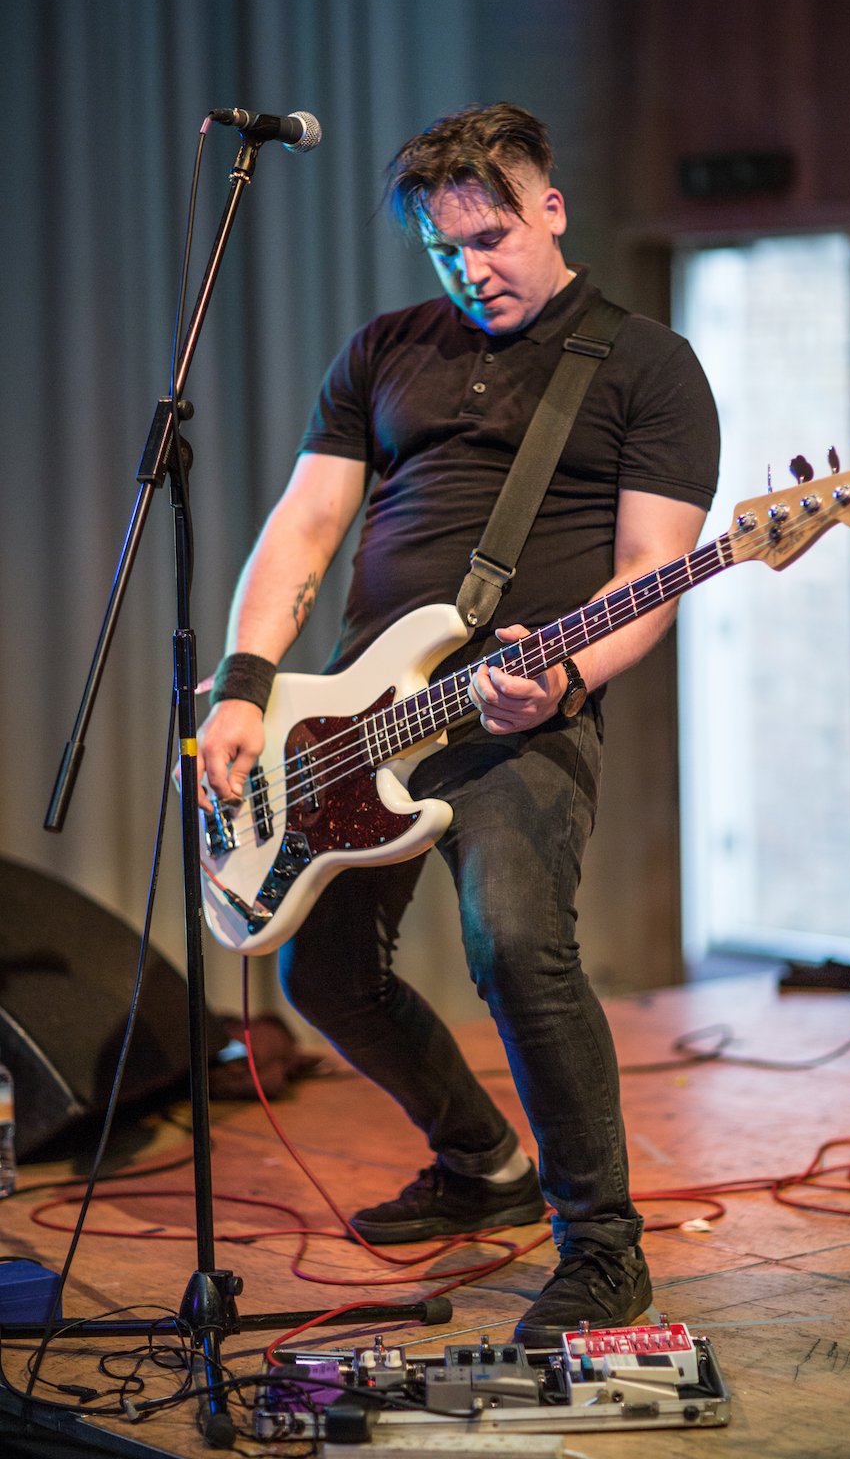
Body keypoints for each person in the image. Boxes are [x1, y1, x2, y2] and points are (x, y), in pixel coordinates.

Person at [196, 104, 719, 1346]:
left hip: (519, 717)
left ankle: (603, 1248)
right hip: (351, 717)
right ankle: (482, 1162)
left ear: (550, 210)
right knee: (320, 969)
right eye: (445, 251)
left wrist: (565, 676)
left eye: (490, 239)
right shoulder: (385, 349)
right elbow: (305, 527)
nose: (470, 270)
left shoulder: (646, 365)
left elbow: (649, 576)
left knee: (515, 941)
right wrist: (245, 683)